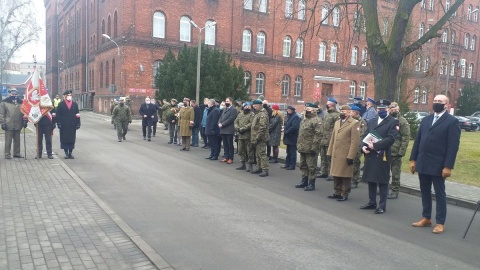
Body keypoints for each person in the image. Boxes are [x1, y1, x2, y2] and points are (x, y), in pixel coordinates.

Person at [410, 95, 461, 234]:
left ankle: (440, 222)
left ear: (447, 105)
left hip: (439, 164)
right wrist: (413, 159)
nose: (437, 103)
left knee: (440, 194)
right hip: (423, 161)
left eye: (440, 102)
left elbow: (452, 146)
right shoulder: (426, 120)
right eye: (435, 101)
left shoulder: (452, 122)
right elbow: (418, 141)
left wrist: (448, 166)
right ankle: (426, 217)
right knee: (425, 191)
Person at [360, 99, 398, 214]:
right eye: (379, 109)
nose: (381, 110)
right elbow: (366, 135)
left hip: (383, 154)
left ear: (388, 109)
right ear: (376, 110)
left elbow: (391, 138)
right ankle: (372, 202)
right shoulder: (372, 121)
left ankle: (382, 205)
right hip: (370, 154)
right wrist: (363, 146)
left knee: (382, 181)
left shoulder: (393, 122)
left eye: (383, 109)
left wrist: (375, 146)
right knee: (371, 179)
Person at [326, 105, 361, 201]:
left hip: (345, 153)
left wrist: (351, 156)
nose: (342, 113)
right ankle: (337, 191)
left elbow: (355, 142)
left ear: (349, 112)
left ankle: (345, 193)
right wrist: (329, 152)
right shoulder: (337, 122)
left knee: (345, 175)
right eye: (341, 111)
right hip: (336, 152)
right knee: (336, 173)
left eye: (344, 111)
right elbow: (333, 138)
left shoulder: (354, 123)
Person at [295, 103, 322, 190]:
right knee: (303, 165)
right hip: (303, 146)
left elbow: (318, 135)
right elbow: (301, 134)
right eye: (306, 108)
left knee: (311, 166)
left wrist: (314, 148)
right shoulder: (304, 120)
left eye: (309, 108)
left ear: (314, 110)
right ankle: (304, 181)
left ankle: (311, 183)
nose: (306, 110)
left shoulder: (317, 120)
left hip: (311, 148)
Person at [387, 102, 410, 199]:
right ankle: (384, 188)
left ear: (398, 108)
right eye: (391, 108)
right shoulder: (387, 120)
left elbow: (406, 137)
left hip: (396, 152)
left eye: (395, 108)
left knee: (395, 172)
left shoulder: (402, 121)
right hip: (386, 150)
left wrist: (401, 152)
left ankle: (395, 190)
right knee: (384, 171)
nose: (393, 110)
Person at [0, 89, 27, 159]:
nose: (14, 95)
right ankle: (7, 154)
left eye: (15, 94)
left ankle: (17, 153)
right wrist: (3, 123)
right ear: (9, 94)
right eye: (12, 94)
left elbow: (25, 113)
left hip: (18, 124)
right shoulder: (4, 103)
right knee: (8, 140)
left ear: (17, 94)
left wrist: (25, 121)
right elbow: (1, 114)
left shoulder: (21, 103)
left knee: (17, 140)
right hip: (8, 123)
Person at [55, 90, 81, 159]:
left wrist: (78, 123)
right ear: (65, 96)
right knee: (64, 139)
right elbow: (58, 115)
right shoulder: (61, 104)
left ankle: (70, 152)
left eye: (70, 95)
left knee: (71, 139)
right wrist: (59, 123)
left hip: (72, 125)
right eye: (68, 95)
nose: (69, 97)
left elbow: (77, 115)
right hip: (64, 125)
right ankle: (66, 152)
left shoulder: (75, 105)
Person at [319, 97, 340, 181]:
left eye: (328, 103)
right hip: (323, 139)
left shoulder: (336, 115)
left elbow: (337, 128)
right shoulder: (326, 114)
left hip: (330, 139)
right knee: (323, 157)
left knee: (330, 157)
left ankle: (331, 173)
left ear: (332, 104)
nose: (326, 105)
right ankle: (324, 172)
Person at [350, 104, 368, 188]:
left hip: (357, 145)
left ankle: (355, 180)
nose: (350, 113)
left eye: (351, 111)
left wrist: (359, 145)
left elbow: (362, 135)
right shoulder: (350, 120)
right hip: (349, 145)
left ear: (356, 113)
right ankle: (349, 179)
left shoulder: (362, 122)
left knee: (355, 163)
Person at [250, 99, 270, 177]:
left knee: (262, 153)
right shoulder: (257, 113)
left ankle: (265, 169)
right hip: (256, 137)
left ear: (259, 105)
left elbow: (262, 127)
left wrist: (258, 138)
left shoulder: (262, 114)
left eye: (255, 106)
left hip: (261, 138)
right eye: (253, 106)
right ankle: (259, 167)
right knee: (257, 153)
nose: (254, 107)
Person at [234, 102, 254, 171]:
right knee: (240, 150)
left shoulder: (252, 114)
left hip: (248, 136)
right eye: (246, 106)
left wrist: (243, 128)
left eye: (249, 107)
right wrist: (238, 128)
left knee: (249, 151)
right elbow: (235, 122)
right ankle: (243, 164)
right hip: (240, 136)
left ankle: (250, 165)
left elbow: (251, 123)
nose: (248, 108)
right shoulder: (240, 114)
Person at [218, 97, 238, 163]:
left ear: (231, 102)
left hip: (229, 130)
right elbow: (221, 117)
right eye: (226, 101)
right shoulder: (225, 109)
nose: (226, 102)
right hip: (223, 129)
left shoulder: (234, 109)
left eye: (228, 101)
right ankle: (226, 157)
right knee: (225, 144)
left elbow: (231, 119)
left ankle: (230, 158)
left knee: (230, 144)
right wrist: (219, 122)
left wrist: (222, 124)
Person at [282, 106, 301, 170]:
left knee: (292, 152)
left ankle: (292, 165)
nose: (288, 111)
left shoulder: (295, 117)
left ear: (292, 110)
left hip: (292, 137)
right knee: (288, 151)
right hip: (288, 137)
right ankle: (287, 164)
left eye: (289, 110)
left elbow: (294, 127)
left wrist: (287, 132)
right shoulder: (289, 116)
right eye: (288, 110)